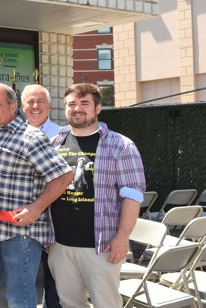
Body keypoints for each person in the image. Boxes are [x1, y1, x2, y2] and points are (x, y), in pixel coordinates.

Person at [0, 84, 73, 308]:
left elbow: (64, 175)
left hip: (20, 234)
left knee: (19, 298)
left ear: (13, 107)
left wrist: (36, 208)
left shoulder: (30, 137)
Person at [47, 83, 146, 307]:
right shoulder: (54, 144)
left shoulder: (120, 145)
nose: (77, 108)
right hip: (60, 246)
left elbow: (132, 195)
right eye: (71, 104)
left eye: (84, 103)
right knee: (70, 303)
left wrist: (122, 238)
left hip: (102, 248)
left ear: (98, 108)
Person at [19, 83, 61, 307]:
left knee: (53, 283)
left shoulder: (62, 136)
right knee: (23, 283)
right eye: (30, 102)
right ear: (22, 106)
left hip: (54, 219)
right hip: (23, 222)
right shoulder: (15, 134)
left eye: (40, 101)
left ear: (50, 105)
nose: (35, 106)